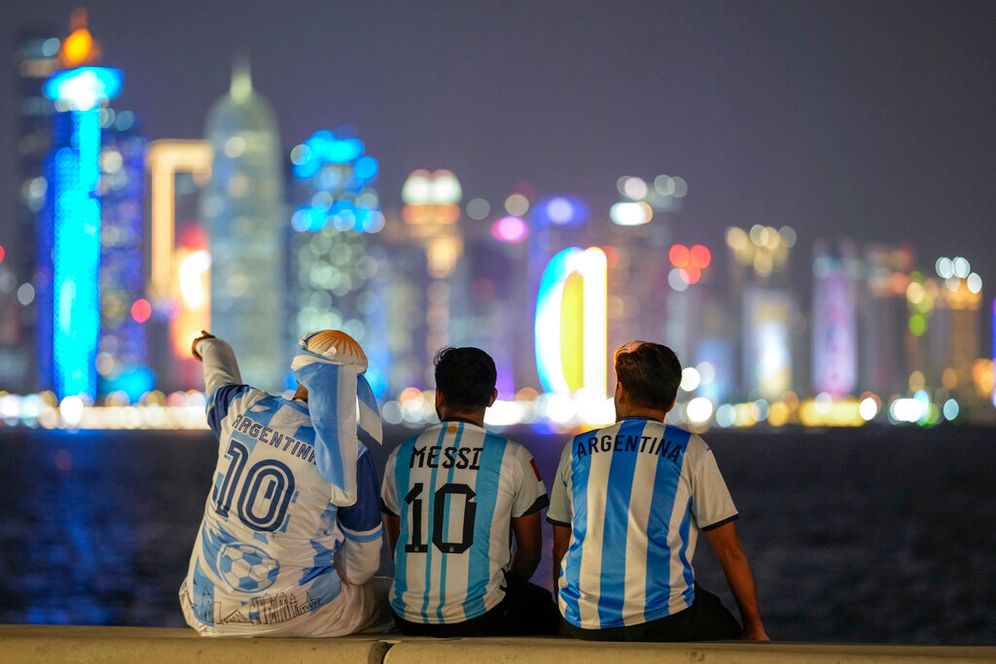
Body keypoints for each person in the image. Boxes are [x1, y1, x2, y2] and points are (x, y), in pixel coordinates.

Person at [547, 340, 769, 642]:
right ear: (670, 399)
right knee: (722, 624)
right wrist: (754, 627)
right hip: (662, 620)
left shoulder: (576, 449)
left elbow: (561, 546)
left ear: (621, 390)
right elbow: (730, 551)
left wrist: (566, 620)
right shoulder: (691, 450)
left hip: (581, 620)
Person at [179, 329, 392, 637]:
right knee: (391, 600)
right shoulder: (351, 456)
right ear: (351, 388)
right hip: (298, 617)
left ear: (300, 374)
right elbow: (362, 567)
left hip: (206, 610)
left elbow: (219, 381)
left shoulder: (244, 407)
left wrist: (209, 345)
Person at [380, 347, 558, 636]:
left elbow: (397, 544)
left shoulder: (399, 457)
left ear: (439, 396)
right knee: (544, 607)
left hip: (406, 615)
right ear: (492, 397)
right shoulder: (513, 457)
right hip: (482, 617)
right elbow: (529, 552)